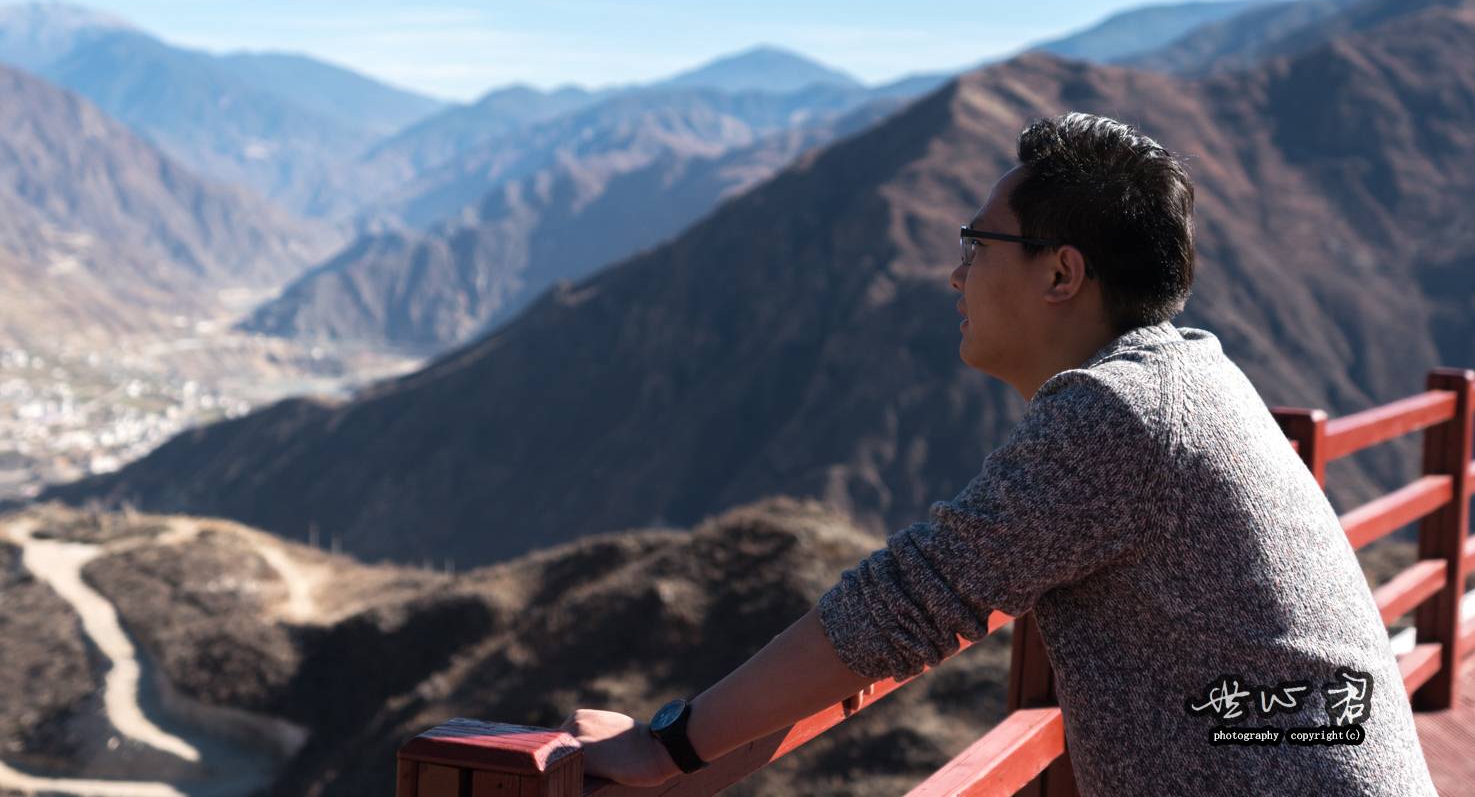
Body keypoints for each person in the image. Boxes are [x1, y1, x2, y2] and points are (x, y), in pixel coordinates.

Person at [561, 113, 1436, 795]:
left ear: (1060, 274)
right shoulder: (1191, 375)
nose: (955, 275)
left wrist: (668, 744)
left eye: (975, 246)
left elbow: (908, 598)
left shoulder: (1119, 412)